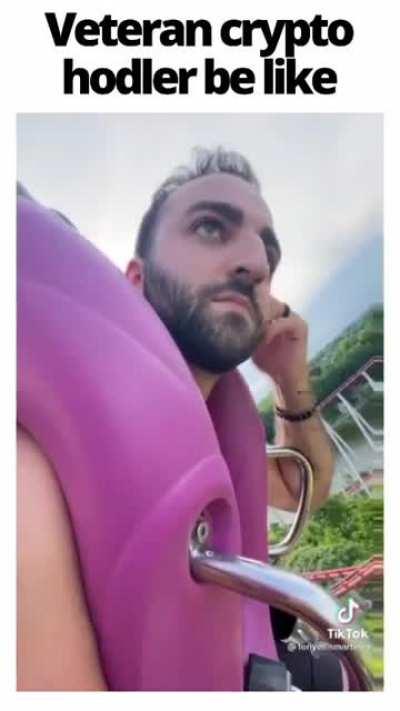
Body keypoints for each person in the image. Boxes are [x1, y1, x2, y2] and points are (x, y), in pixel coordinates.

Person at [17, 148, 334, 690]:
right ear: (135, 280)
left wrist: (289, 376)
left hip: (253, 653)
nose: (256, 265)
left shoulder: (221, 431)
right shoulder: (33, 454)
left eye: (268, 252)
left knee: (327, 665)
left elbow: (304, 486)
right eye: (211, 227)